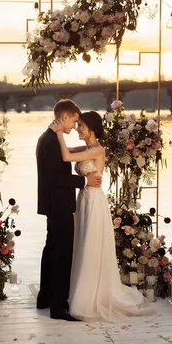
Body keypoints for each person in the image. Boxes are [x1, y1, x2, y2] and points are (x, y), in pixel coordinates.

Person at [49, 110, 154, 322]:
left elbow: (66, 157)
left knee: (91, 245)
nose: (78, 129)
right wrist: (55, 138)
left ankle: (88, 297)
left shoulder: (97, 150)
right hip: (84, 200)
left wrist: (59, 132)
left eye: (81, 127)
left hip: (94, 201)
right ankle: (76, 291)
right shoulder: (87, 148)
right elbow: (68, 151)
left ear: (92, 129)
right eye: (77, 126)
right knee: (82, 243)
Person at [35, 99, 102, 321]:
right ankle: (58, 307)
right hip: (59, 205)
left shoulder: (49, 138)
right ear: (64, 117)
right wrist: (84, 182)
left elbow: (70, 157)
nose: (74, 126)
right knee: (62, 255)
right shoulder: (52, 141)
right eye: (74, 121)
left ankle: (45, 298)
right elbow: (55, 177)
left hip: (54, 204)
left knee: (51, 251)